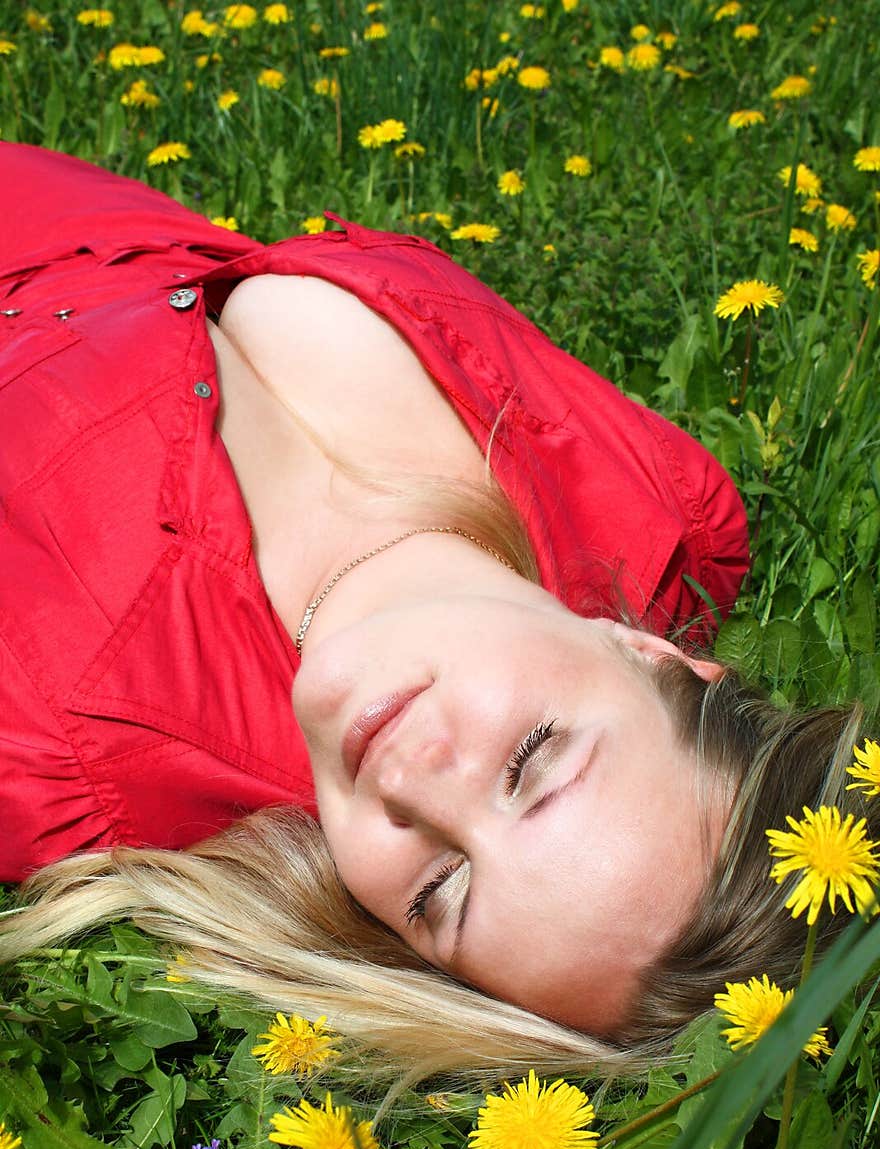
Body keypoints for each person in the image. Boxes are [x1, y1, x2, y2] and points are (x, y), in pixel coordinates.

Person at [0, 142, 869, 1087]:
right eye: (531, 760)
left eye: (440, 891)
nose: (416, 787)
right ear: (652, 653)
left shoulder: (63, 754)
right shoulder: (661, 505)